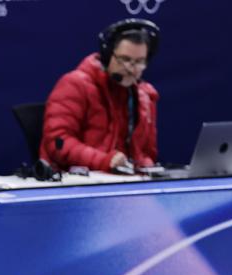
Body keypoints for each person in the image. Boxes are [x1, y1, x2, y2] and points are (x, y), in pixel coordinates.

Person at [40, 19, 160, 173]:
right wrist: (103, 161)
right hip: (78, 184)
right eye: (125, 59)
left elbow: (147, 152)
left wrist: (147, 169)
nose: (132, 69)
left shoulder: (144, 95)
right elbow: (58, 142)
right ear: (107, 54)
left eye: (139, 62)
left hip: (126, 184)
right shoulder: (75, 85)